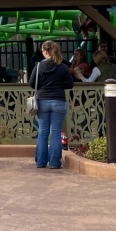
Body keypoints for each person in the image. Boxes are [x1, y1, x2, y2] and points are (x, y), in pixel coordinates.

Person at [29, 40, 73, 170]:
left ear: (46, 52)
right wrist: (59, 85)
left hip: (42, 101)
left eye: (42, 50)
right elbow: (70, 84)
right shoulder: (63, 67)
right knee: (55, 132)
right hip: (59, 101)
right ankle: (54, 162)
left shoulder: (38, 67)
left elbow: (32, 83)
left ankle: (41, 162)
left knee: (42, 132)